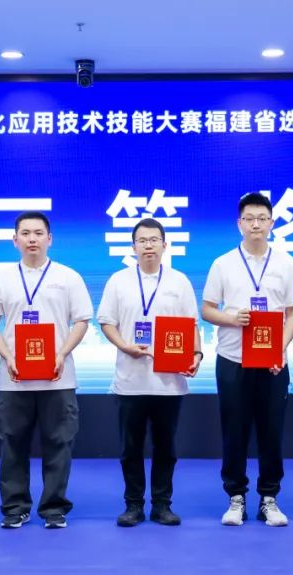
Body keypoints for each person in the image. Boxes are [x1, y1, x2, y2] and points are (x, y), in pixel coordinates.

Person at [0, 211, 93, 529]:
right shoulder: (2, 279)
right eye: (26, 233)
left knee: (59, 443)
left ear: (49, 239)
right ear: (14, 239)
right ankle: (15, 507)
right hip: (14, 378)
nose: (32, 239)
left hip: (58, 377)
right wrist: (7, 355)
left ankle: (54, 508)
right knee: (12, 443)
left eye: (38, 233)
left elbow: (81, 321)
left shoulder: (68, 277)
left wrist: (62, 353)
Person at [201, 192, 293, 527]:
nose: (256, 224)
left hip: (273, 363)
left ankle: (269, 498)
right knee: (235, 429)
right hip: (232, 359)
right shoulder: (223, 263)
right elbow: (207, 310)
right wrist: (231, 318)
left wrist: (279, 348)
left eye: (262, 218)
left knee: (272, 430)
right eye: (249, 218)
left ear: (271, 223)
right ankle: (236, 497)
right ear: (239, 224)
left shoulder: (285, 264)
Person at [97, 218, 202, 527]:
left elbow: (191, 324)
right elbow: (107, 322)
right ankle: (133, 505)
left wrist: (196, 354)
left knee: (165, 448)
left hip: (169, 382)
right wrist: (125, 346)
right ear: (133, 247)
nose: (148, 246)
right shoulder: (118, 281)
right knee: (130, 448)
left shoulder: (179, 281)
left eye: (154, 240)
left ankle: (162, 505)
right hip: (130, 380)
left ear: (165, 245)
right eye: (142, 241)